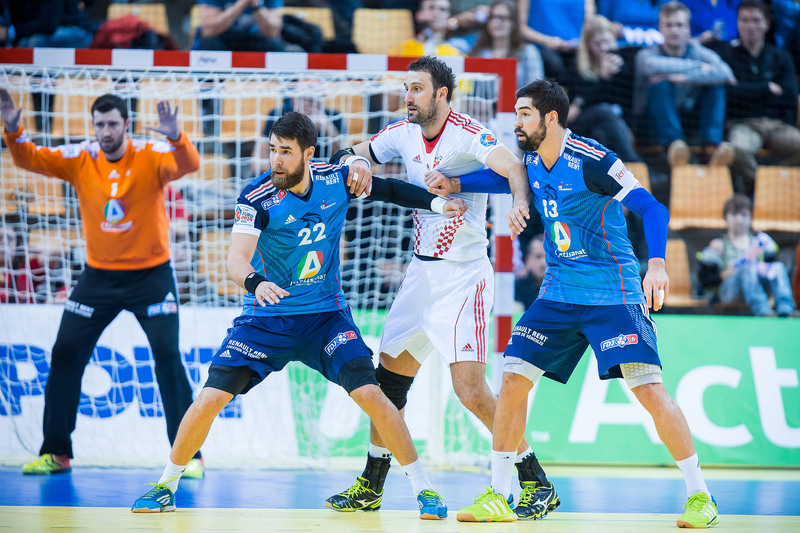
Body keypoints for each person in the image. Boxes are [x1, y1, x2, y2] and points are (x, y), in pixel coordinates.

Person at [131, 111, 466, 518]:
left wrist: (438, 203)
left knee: (373, 394)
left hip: (325, 317)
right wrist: (255, 282)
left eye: (286, 152)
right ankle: (166, 484)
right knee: (209, 399)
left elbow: (391, 190)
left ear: (308, 154)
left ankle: (424, 489)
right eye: (273, 149)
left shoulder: (335, 180)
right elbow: (234, 260)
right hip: (266, 319)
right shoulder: (257, 198)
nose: (276, 159)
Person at [429, 79, 718, 528]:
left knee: (648, 389)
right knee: (513, 377)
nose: (516, 121)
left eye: (524, 113)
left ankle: (701, 496)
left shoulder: (593, 160)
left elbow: (653, 209)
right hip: (559, 292)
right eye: (516, 113)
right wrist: (456, 182)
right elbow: (505, 179)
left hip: (612, 294)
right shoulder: (531, 159)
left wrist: (657, 265)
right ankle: (499, 494)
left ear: (551, 118)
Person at [325, 56, 559, 521]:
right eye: (406, 88)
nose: (408, 96)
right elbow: (352, 152)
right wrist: (355, 162)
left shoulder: (468, 133)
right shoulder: (403, 133)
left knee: (470, 391)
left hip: (463, 277)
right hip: (420, 273)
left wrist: (518, 204)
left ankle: (537, 481)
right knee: (387, 382)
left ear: (442, 94)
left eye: (417, 88)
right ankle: (371, 485)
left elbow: (515, 168)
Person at [0, 90, 206, 478]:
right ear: (93, 126)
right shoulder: (82, 156)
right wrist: (13, 128)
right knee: (65, 352)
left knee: (167, 356)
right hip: (99, 277)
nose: (105, 132)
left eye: (112, 124)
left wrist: (176, 137)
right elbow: (29, 158)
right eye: (99, 125)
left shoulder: (149, 153)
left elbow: (189, 164)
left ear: (126, 124)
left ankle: (189, 457)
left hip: (151, 275)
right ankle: (57, 452)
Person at [633, 1, 736, 168]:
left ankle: (710, 147)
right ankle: (675, 146)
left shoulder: (697, 51)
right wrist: (698, 67)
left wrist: (684, 77)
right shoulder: (647, 53)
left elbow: (725, 72)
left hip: (688, 118)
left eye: (679, 25)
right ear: (660, 28)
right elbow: (650, 65)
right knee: (661, 83)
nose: (674, 30)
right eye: (669, 25)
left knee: (715, 86)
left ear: (688, 29)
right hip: (650, 125)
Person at [714, 0, 800, 196]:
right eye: (744, 20)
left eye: (755, 20)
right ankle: (767, 191)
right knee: (737, 150)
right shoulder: (727, 55)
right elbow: (728, 94)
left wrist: (745, 91)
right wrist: (766, 88)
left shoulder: (780, 56)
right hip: (743, 124)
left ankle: (768, 184)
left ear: (766, 24)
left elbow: (789, 97)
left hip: (777, 125)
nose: (749, 26)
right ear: (737, 23)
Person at [698, 194, 795, 317]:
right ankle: (762, 311)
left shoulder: (760, 243)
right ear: (725, 218)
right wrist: (727, 273)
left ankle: (786, 308)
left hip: (759, 288)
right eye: (734, 215)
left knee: (778, 267)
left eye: (744, 215)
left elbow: (771, 268)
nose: (739, 220)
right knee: (748, 267)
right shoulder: (719, 245)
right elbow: (706, 282)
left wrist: (762, 267)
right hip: (729, 292)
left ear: (750, 218)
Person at [565, 14, 642, 163]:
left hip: (611, 128)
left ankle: (608, 175)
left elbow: (628, 104)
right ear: (588, 45)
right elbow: (579, 104)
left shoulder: (624, 66)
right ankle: (635, 164)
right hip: (583, 124)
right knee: (605, 111)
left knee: (600, 134)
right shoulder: (577, 67)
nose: (603, 48)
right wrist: (602, 77)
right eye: (597, 44)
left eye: (607, 42)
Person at [251, 96, 343, 177]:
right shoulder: (277, 114)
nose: (306, 103)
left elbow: (345, 158)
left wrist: (328, 129)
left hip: (324, 177)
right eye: (302, 98)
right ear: (292, 98)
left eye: (311, 99)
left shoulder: (334, 116)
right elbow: (257, 164)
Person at [468, 0, 544, 89]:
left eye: (502, 17)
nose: (496, 22)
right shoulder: (477, 51)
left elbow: (536, 89)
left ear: (513, 22)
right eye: (492, 17)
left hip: (519, 98)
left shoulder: (528, 52)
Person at [194, 0, 285, 52]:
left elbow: (273, 32)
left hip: (253, 39)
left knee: (276, 47)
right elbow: (209, 30)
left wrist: (257, 6)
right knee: (208, 43)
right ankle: (211, 81)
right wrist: (242, 3)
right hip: (223, 38)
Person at [389, 0, 465, 57]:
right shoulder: (401, 50)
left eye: (442, 9)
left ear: (449, 17)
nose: (436, 13)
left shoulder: (456, 52)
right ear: (419, 15)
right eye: (431, 8)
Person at [0, 225, 46, 304]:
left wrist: (28, 248)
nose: (4, 242)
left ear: (17, 244)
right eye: (0, 238)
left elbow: (55, 253)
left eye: (10, 239)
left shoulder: (27, 269)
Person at [514, 234, 546, 310]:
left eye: (547, 257)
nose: (543, 262)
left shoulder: (561, 288)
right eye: (538, 256)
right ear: (527, 260)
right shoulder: (517, 287)